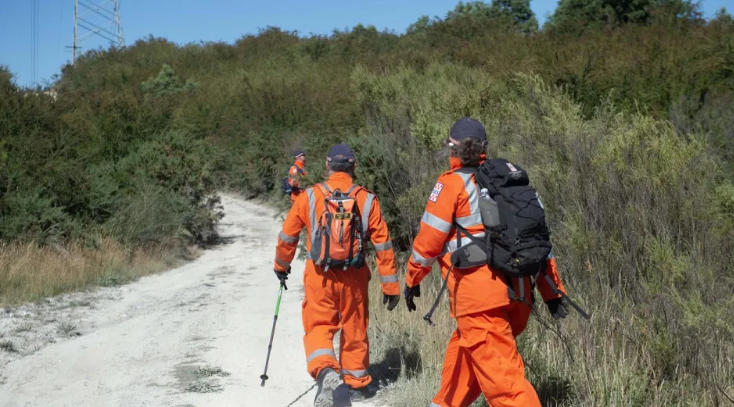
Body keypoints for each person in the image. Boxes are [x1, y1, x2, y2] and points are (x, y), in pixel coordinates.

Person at [404, 118, 569, 407]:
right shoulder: (511, 184)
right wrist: (552, 293)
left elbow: (428, 243)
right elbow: (540, 241)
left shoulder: (451, 184)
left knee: (507, 389)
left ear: (452, 149)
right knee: (464, 360)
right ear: (485, 149)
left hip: (480, 300)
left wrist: (412, 279)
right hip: (518, 294)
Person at [273, 143, 400, 407]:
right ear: (353, 167)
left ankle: (326, 371)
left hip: (319, 274)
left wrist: (281, 266)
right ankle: (355, 384)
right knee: (354, 327)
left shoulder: (309, 196)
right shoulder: (367, 199)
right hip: (354, 275)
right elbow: (383, 245)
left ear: (327, 166)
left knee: (319, 325)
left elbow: (288, 235)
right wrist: (390, 286)